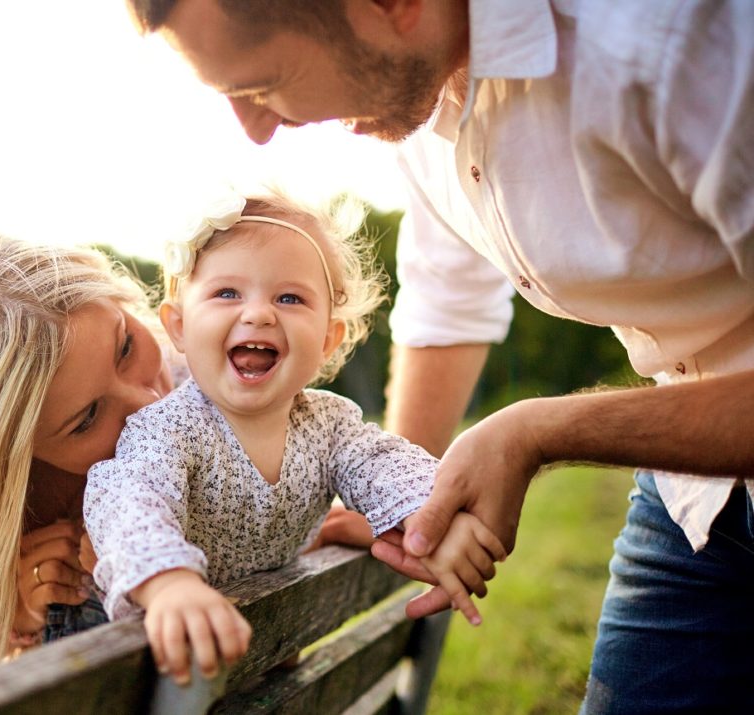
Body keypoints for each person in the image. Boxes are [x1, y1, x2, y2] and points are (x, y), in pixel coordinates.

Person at [123, 0, 754, 712]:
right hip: (694, 498)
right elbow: (448, 300)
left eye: (263, 83)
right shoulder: (422, 108)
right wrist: (409, 508)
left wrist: (538, 429)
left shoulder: (680, 42)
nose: (257, 129)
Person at [0, 230, 385, 712]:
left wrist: (311, 526)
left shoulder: (213, 386)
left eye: (126, 345)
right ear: (15, 463)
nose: (148, 397)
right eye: (86, 418)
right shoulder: (25, 539)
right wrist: (14, 618)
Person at [84, 190, 505, 686]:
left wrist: (431, 516)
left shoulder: (330, 426)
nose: (259, 314)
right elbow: (128, 501)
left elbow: (385, 464)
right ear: (178, 327)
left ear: (327, 339)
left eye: (289, 298)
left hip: (255, 654)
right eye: (227, 293)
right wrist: (168, 582)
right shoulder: (168, 430)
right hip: (154, 662)